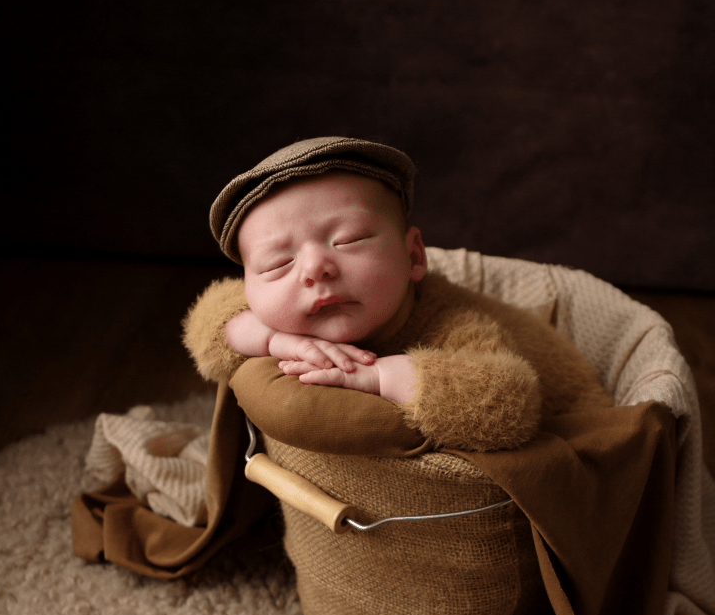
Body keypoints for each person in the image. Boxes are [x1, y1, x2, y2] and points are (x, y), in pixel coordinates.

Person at [183, 137, 612, 451]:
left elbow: (509, 401)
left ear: (414, 257)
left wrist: (375, 377)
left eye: (347, 240)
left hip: (576, 430)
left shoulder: (450, 319)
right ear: (250, 287)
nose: (315, 269)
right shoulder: (277, 320)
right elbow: (209, 325)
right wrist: (275, 338)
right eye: (278, 264)